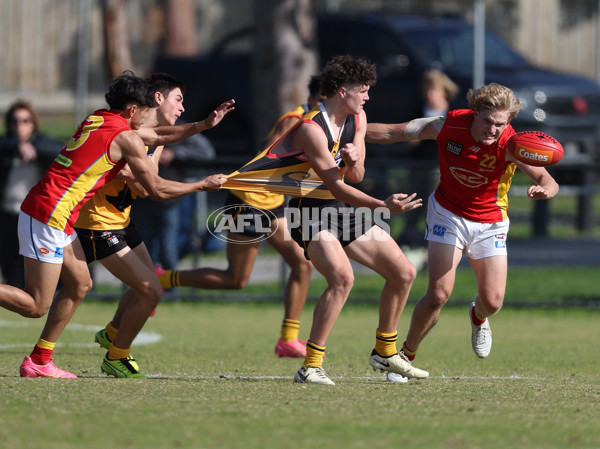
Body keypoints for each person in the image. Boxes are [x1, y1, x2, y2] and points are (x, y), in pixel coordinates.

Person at [2, 70, 233, 378]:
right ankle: (70, 356)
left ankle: (39, 361)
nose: (149, 117)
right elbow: (156, 189)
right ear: (133, 109)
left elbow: (155, 136)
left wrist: (202, 125)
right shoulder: (125, 137)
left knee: (81, 284)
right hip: (48, 215)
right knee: (36, 305)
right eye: (146, 110)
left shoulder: (99, 118)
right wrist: (202, 184)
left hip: (56, 214)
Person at [225, 55, 430, 385]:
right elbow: (335, 186)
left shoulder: (358, 119)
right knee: (342, 278)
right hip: (311, 216)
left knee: (403, 272)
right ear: (341, 91)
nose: (367, 97)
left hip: (344, 211)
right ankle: (310, 367)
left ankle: (385, 352)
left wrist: (352, 161)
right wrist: (382, 205)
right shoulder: (309, 129)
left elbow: (355, 177)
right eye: (362, 91)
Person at [366, 82, 559, 365]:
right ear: (475, 113)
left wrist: (546, 190)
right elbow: (392, 132)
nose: (493, 130)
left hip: (490, 223)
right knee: (438, 294)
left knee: (492, 302)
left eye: (501, 124)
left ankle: (477, 315)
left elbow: (548, 180)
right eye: (488, 122)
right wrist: (347, 131)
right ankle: (405, 356)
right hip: (448, 214)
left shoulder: (511, 144)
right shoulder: (446, 125)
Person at [154, 74, 325, 358]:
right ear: (315, 98)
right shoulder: (295, 120)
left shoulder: (324, 123)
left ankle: (288, 339)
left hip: (272, 204)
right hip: (250, 201)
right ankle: (163, 279)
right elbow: (270, 158)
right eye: (322, 101)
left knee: (302, 264)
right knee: (236, 280)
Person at [131, 124, 216, 272]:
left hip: (169, 203)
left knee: (168, 249)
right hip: (140, 201)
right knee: (142, 249)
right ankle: (142, 289)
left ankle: (170, 290)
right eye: (177, 100)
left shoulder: (181, 128)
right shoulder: (137, 129)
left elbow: (207, 151)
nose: (180, 108)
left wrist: (175, 153)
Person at [0, 100, 64, 288]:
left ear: (33, 123)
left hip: (34, 218)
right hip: (8, 214)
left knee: (38, 274)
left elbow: (58, 151)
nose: (20, 125)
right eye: (15, 121)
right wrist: (17, 146)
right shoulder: (6, 146)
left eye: (25, 121)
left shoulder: (42, 142)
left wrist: (32, 148)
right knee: (12, 274)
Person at [396, 70, 459, 248]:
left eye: (434, 89)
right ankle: (409, 236)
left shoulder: (452, 111)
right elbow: (410, 138)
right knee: (414, 199)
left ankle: (431, 237)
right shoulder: (420, 109)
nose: (430, 94)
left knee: (434, 202)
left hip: (439, 166)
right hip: (418, 163)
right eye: (428, 89)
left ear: (444, 91)